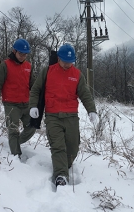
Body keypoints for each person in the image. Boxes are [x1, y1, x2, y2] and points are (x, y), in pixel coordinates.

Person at [29, 43, 98, 187]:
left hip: (71, 116)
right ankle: (60, 175)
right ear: (59, 58)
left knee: (73, 147)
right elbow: (35, 89)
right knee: (58, 146)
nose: (68, 64)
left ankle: (62, 165)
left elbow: (85, 94)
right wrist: (33, 106)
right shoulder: (47, 71)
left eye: (70, 62)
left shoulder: (77, 75)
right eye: (65, 61)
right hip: (52, 116)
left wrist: (91, 110)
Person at [0, 38, 36, 157]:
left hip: (26, 104)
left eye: (25, 54)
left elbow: (34, 85)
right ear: (14, 51)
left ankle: (16, 142)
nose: (23, 56)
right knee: (13, 130)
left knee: (33, 125)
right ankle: (16, 155)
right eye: (20, 53)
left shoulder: (28, 66)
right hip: (11, 104)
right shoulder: (5, 65)